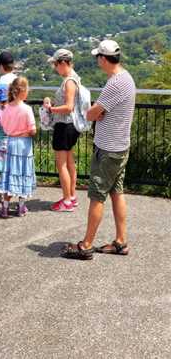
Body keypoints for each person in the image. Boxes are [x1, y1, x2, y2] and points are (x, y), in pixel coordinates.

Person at [63, 40, 135, 261]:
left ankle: (86, 245)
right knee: (116, 192)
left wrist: (96, 112)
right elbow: (99, 111)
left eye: (98, 57)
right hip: (120, 146)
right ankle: (121, 242)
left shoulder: (115, 83)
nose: (97, 61)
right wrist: (98, 112)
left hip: (108, 150)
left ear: (103, 58)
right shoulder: (126, 78)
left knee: (97, 196)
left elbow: (91, 113)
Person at [42, 49, 81, 212]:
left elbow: (69, 107)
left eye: (56, 64)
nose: (55, 68)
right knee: (70, 162)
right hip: (71, 126)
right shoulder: (75, 78)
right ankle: (71, 196)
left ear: (63, 63)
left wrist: (51, 109)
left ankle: (66, 200)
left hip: (64, 126)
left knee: (62, 164)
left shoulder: (69, 81)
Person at [0, 77, 37, 218]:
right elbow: (33, 130)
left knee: (9, 173)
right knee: (23, 173)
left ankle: (5, 208)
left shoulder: (6, 108)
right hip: (24, 144)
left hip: (10, 142)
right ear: (23, 91)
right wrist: (25, 132)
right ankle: (21, 207)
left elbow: (5, 128)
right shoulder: (27, 109)